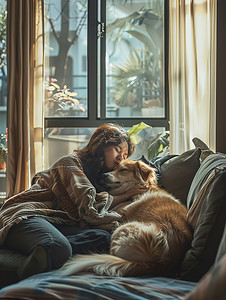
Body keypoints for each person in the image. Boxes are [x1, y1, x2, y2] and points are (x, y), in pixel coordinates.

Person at [0, 123, 147, 280]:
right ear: (101, 145)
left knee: (107, 239)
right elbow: (88, 208)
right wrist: (125, 196)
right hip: (27, 215)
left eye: (125, 156)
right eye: (118, 150)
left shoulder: (100, 179)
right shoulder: (70, 163)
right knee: (57, 247)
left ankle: (47, 248)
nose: (121, 158)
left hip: (58, 221)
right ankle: (18, 289)